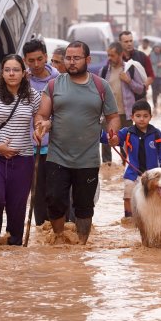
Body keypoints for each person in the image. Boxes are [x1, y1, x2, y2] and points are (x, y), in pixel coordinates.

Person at [34, 41, 121, 245]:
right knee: (54, 201)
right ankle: (59, 239)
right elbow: (42, 114)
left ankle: (81, 246)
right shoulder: (54, 85)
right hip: (57, 156)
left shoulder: (101, 86)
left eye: (76, 58)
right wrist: (41, 126)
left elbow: (113, 116)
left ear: (87, 60)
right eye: (68, 58)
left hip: (88, 159)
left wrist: (113, 133)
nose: (71, 62)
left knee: (84, 207)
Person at [0, 54, 41, 246]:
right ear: (2, 73)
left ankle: (14, 248)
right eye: (7, 70)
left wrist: (39, 129)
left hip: (23, 159)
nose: (11, 74)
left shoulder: (33, 96)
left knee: (17, 207)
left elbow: (41, 118)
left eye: (16, 70)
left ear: (24, 73)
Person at [103, 100, 161, 226]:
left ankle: (153, 220)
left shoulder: (156, 133)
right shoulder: (127, 132)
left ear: (151, 117)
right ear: (132, 117)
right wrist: (110, 138)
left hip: (153, 176)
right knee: (128, 195)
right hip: (132, 173)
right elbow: (113, 139)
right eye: (138, 116)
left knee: (154, 197)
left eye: (145, 116)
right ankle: (128, 219)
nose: (141, 119)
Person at [22, 39, 59, 226]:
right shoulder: (21, 82)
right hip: (30, 149)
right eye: (31, 61)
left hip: (55, 148)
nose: (36, 65)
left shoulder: (59, 80)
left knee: (56, 194)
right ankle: (42, 234)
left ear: (46, 57)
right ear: (25, 60)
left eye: (39, 59)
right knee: (37, 196)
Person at [100, 41, 144, 164]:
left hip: (126, 113)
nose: (109, 58)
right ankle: (107, 171)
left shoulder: (130, 69)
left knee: (126, 144)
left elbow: (140, 89)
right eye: (108, 55)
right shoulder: (104, 71)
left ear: (121, 54)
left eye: (112, 55)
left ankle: (126, 169)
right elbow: (98, 92)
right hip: (108, 114)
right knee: (106, 143)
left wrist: (128, 80)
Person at [118, 31, 154, 100]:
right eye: (126, 42)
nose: (129, 44)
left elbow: (151, 75)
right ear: (120, 43)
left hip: (139, 97)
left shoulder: (142, 56)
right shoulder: (117, 59)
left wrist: (143, 86)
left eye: (131, 41)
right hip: (122, 98)